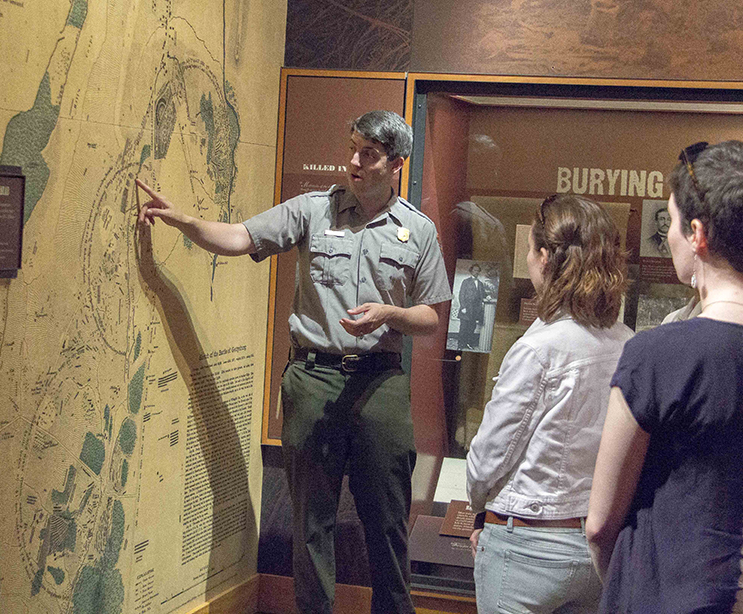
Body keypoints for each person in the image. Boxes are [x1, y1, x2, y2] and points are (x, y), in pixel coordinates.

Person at [136, 110, 452, 614]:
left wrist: (389, 314)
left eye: (367, 154)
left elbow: (431, 318)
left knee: (388, 520)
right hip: (312, 379)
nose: (352, 161)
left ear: (396, 163)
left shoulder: (418, 231)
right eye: (351, 147)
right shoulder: (312, 210)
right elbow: (241, 237)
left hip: (380, 384)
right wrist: (186, 222)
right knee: (311, 523)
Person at [586, 140, 743, 613]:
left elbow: (599, 526)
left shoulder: (662, 353)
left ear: (697, 234)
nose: (670, 235)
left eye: (672, 221)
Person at [466, 194, 633, 614]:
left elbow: (488, 459)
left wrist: (478, 508)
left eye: (529, 249)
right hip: (598, 548)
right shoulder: (629, 343)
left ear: (544, 256)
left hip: (527, 547)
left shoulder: (539, 348)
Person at [457, 263, 486, 349]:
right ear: (471, 271)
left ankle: (468, 343)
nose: (476, 272)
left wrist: (487, 296)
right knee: (463, 328)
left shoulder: (480, 283)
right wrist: (463, 307)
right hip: (466, 309)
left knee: (471, 328)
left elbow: (483, 294)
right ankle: (460, 345)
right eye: (474, 270)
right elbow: (461, 294)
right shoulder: (466, 281)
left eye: (478, 271)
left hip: (475, 310)